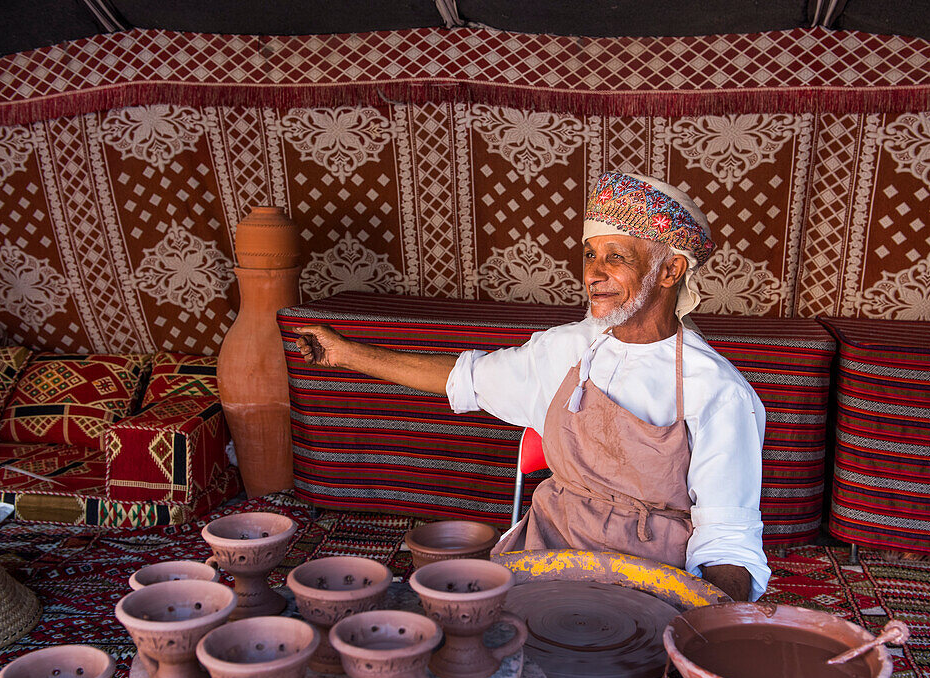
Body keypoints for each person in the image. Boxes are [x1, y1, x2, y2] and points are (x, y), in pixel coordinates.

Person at [295, 171, 770, 601]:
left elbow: (728, 537)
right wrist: (345, 353)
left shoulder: (718, 392)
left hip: (648, 578)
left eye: (616, 258)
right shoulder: (568, 350)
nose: (593, 274)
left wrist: (712, 626)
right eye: (589, 255)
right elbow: (466, 378)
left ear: (670, 271)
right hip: (547, 550)